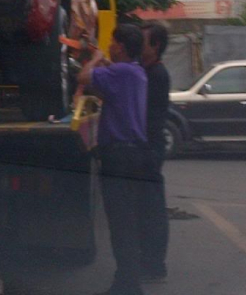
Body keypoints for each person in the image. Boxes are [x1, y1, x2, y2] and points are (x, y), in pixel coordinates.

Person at [79, 24, 152, 295]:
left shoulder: (120, 72)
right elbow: (105, 84)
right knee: (127, 221)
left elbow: (85, 77)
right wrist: (98, 52)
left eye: (112, 42)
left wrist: (95, 59)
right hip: (133, 154)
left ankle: (128, 286)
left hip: (119, 155)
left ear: (120, 45)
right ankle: (127, 282)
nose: (109, 45)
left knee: (120, 223)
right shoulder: (135, 73)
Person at [139, 23, 171, 282]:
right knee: (149, 208)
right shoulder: (148, 71)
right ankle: (151, 262)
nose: (139, 46)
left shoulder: (156, 74)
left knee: (152, 209)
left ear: (155, 46)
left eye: (143, 41)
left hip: (149, 148)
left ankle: (155, 264)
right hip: (149, 147)